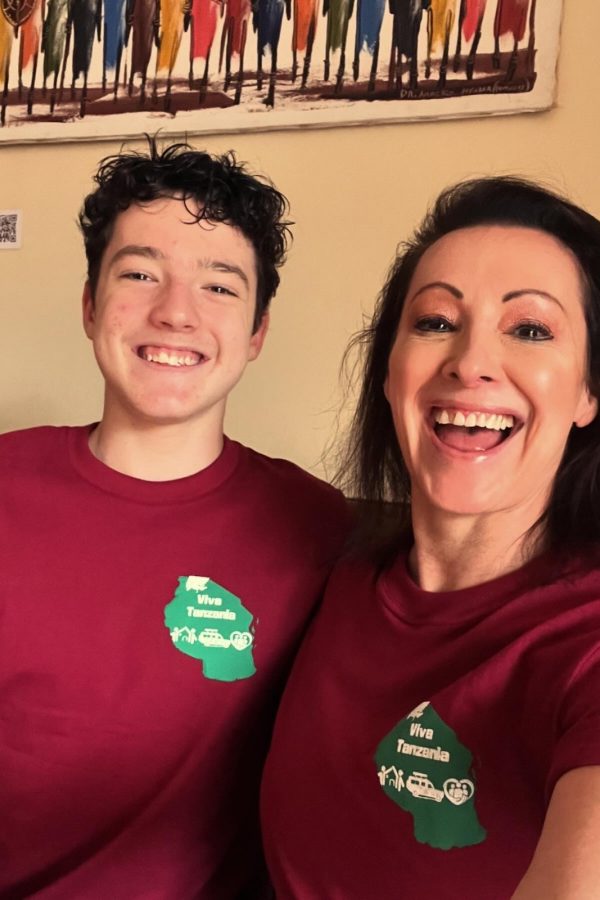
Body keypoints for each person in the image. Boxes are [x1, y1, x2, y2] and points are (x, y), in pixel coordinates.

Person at [0, 139, 349, 899]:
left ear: (257, 333)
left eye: (219, 286)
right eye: (139, 273)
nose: (176, 312)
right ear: (90, 306)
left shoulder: (320, 530)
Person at [261, 176, 600, 898]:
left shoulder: (586, 640)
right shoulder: (333, 576)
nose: (469, 362)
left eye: (530, 329)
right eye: (437, 322)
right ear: (390, 374)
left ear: (588, 391)